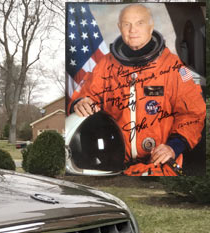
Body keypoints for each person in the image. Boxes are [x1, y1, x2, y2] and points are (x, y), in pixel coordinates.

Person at [69, 4, 205, 176]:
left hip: (161, 164)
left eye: (140, 23)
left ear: (151, 25)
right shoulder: (105, 65)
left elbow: (193, 113)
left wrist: (173, 147)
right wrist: (81, 102)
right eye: (126, 24)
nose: (133, 30)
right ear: (119, 27)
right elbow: (86, 95)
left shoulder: (174, 68)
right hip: (113, 163)